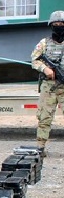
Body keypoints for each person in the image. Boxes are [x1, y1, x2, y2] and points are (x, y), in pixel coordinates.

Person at [31, 10, 64, 156]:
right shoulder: (44, 43)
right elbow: (34, 59)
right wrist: (45, 69)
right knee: (44, 117)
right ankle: (40, 146)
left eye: (61, 24)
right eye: (55, 24)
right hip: (49, 86)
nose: (58, 26)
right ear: (51, 26)